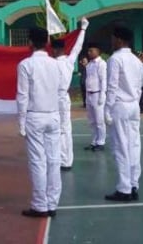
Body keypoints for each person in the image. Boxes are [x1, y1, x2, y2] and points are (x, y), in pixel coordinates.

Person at [16, 27, 66, 217]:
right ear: (46, 42)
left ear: (30, 42)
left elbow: (22, 96)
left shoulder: (25, 65)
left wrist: (20, 122)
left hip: (35, 115)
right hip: (53, 114)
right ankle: (52, 203)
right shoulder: (56, 64)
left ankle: (40, 204)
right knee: (53, 160)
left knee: (38, 161)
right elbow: (61, 92)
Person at [103, 27, 143, 202]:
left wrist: (107, 109)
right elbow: (139, 86)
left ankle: (124, 188)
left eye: (113, 38)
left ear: (119, 39)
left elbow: (112, 87)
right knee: (134, 145)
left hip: (120, 105)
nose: (111, 41)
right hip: (134, 104)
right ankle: (134, 184)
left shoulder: (115, 59)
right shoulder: (136, 60)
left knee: (121, 147)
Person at [52, 18, 88, 172]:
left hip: (52, 99)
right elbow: (78, 47)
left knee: (56, 129)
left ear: (53, 50)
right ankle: (66, 159)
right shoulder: (68, 61)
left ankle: (60, 158)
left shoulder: (50, 63)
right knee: (65, 128)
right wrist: (84, 29)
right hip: (64, 97)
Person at [84, 42, 107, 151]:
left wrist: (102, 95)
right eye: (89, 51)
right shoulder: (89, 65)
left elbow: (103, 80)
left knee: (99, 120)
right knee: (91, 120)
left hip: (97, 94)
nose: (89, 52)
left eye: (91, 50)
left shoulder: (101, 64)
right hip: (89, 94)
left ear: (98, 51)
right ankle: (94, 141)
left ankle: (101, 142)